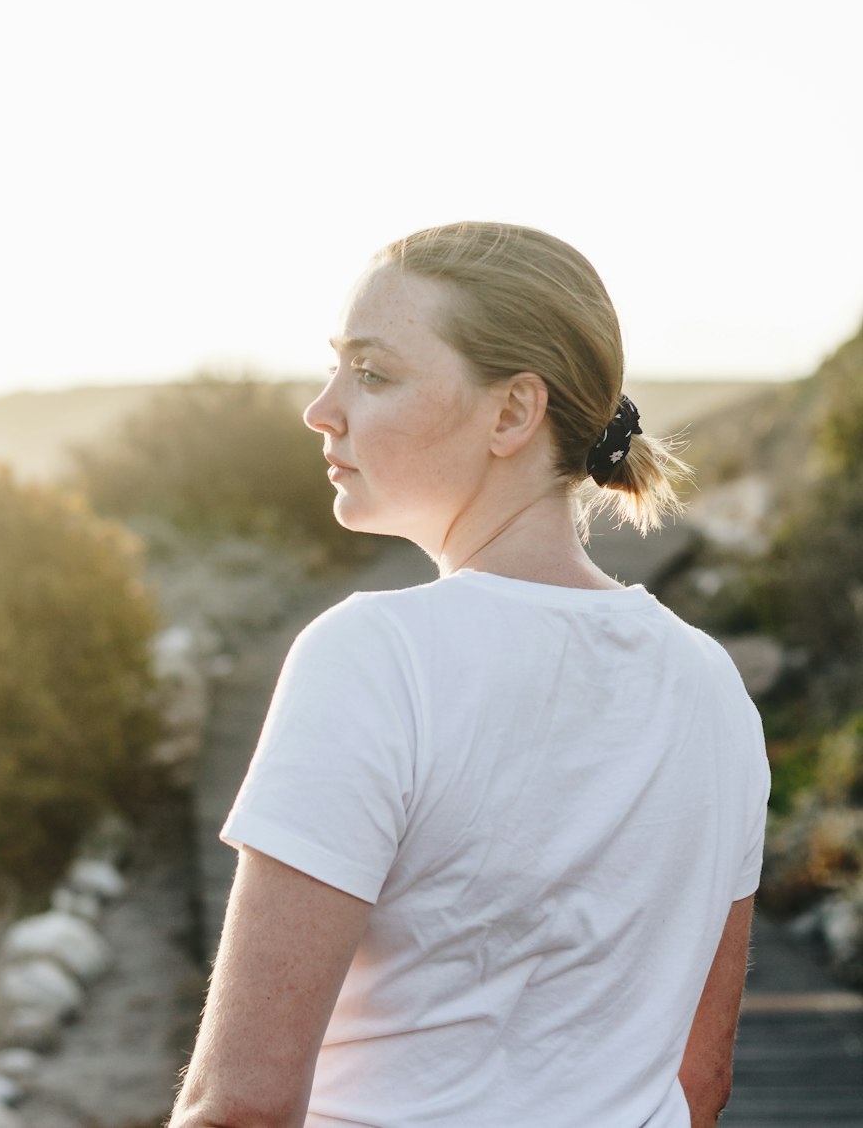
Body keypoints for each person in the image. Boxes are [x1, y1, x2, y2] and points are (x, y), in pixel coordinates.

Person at [168, 221, 770, 1128]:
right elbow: (699, 1085)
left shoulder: (375, 658)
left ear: (512, 413)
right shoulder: (713, 685)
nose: (322, 408)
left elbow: (242, 1104)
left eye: (372, 372)